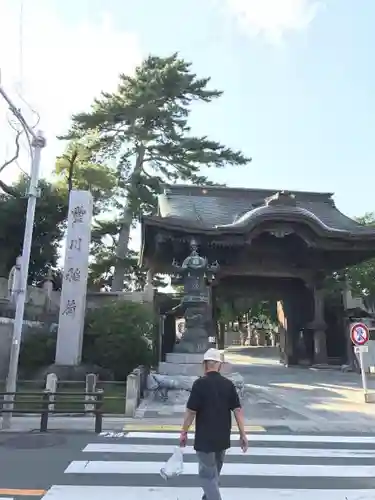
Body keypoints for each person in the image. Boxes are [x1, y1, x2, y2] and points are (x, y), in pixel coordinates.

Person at [179, 348, 248, 500]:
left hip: (204, 439)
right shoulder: (228, 385)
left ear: (204, 365)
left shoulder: (199, 384)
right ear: (219, 366)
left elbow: (191, 412)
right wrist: (243, 434)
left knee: (207, 477)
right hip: (222, 438)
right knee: (214, 475)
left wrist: (184, 432)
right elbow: (237, 410)